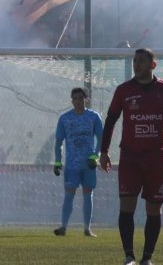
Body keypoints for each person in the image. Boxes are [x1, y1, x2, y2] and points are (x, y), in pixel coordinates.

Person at [100, 48, 163, 265]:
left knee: (154, 208)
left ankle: (147, 258)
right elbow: (111, 120)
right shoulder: (123, 91)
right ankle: (129, 257)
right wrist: (104, 151)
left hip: (156, 158)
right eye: (135, 60)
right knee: (127, 206)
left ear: (153, 65)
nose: (136, 64)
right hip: (129, 158)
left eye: (141, 61)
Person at [53, 87, 104, 237]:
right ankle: (63, 227)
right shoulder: (64, 118)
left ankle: (87, 229)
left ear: (86, 99)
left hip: (88, 165)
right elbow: (58, 142)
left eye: (80, 98)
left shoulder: (94, 117)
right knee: (69, 195)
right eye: (75, 98)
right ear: (71, 100)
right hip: (72, 165)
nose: (77, 101)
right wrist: (57, 161)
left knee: (88, 194)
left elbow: (101, 139)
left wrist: (95, 156)